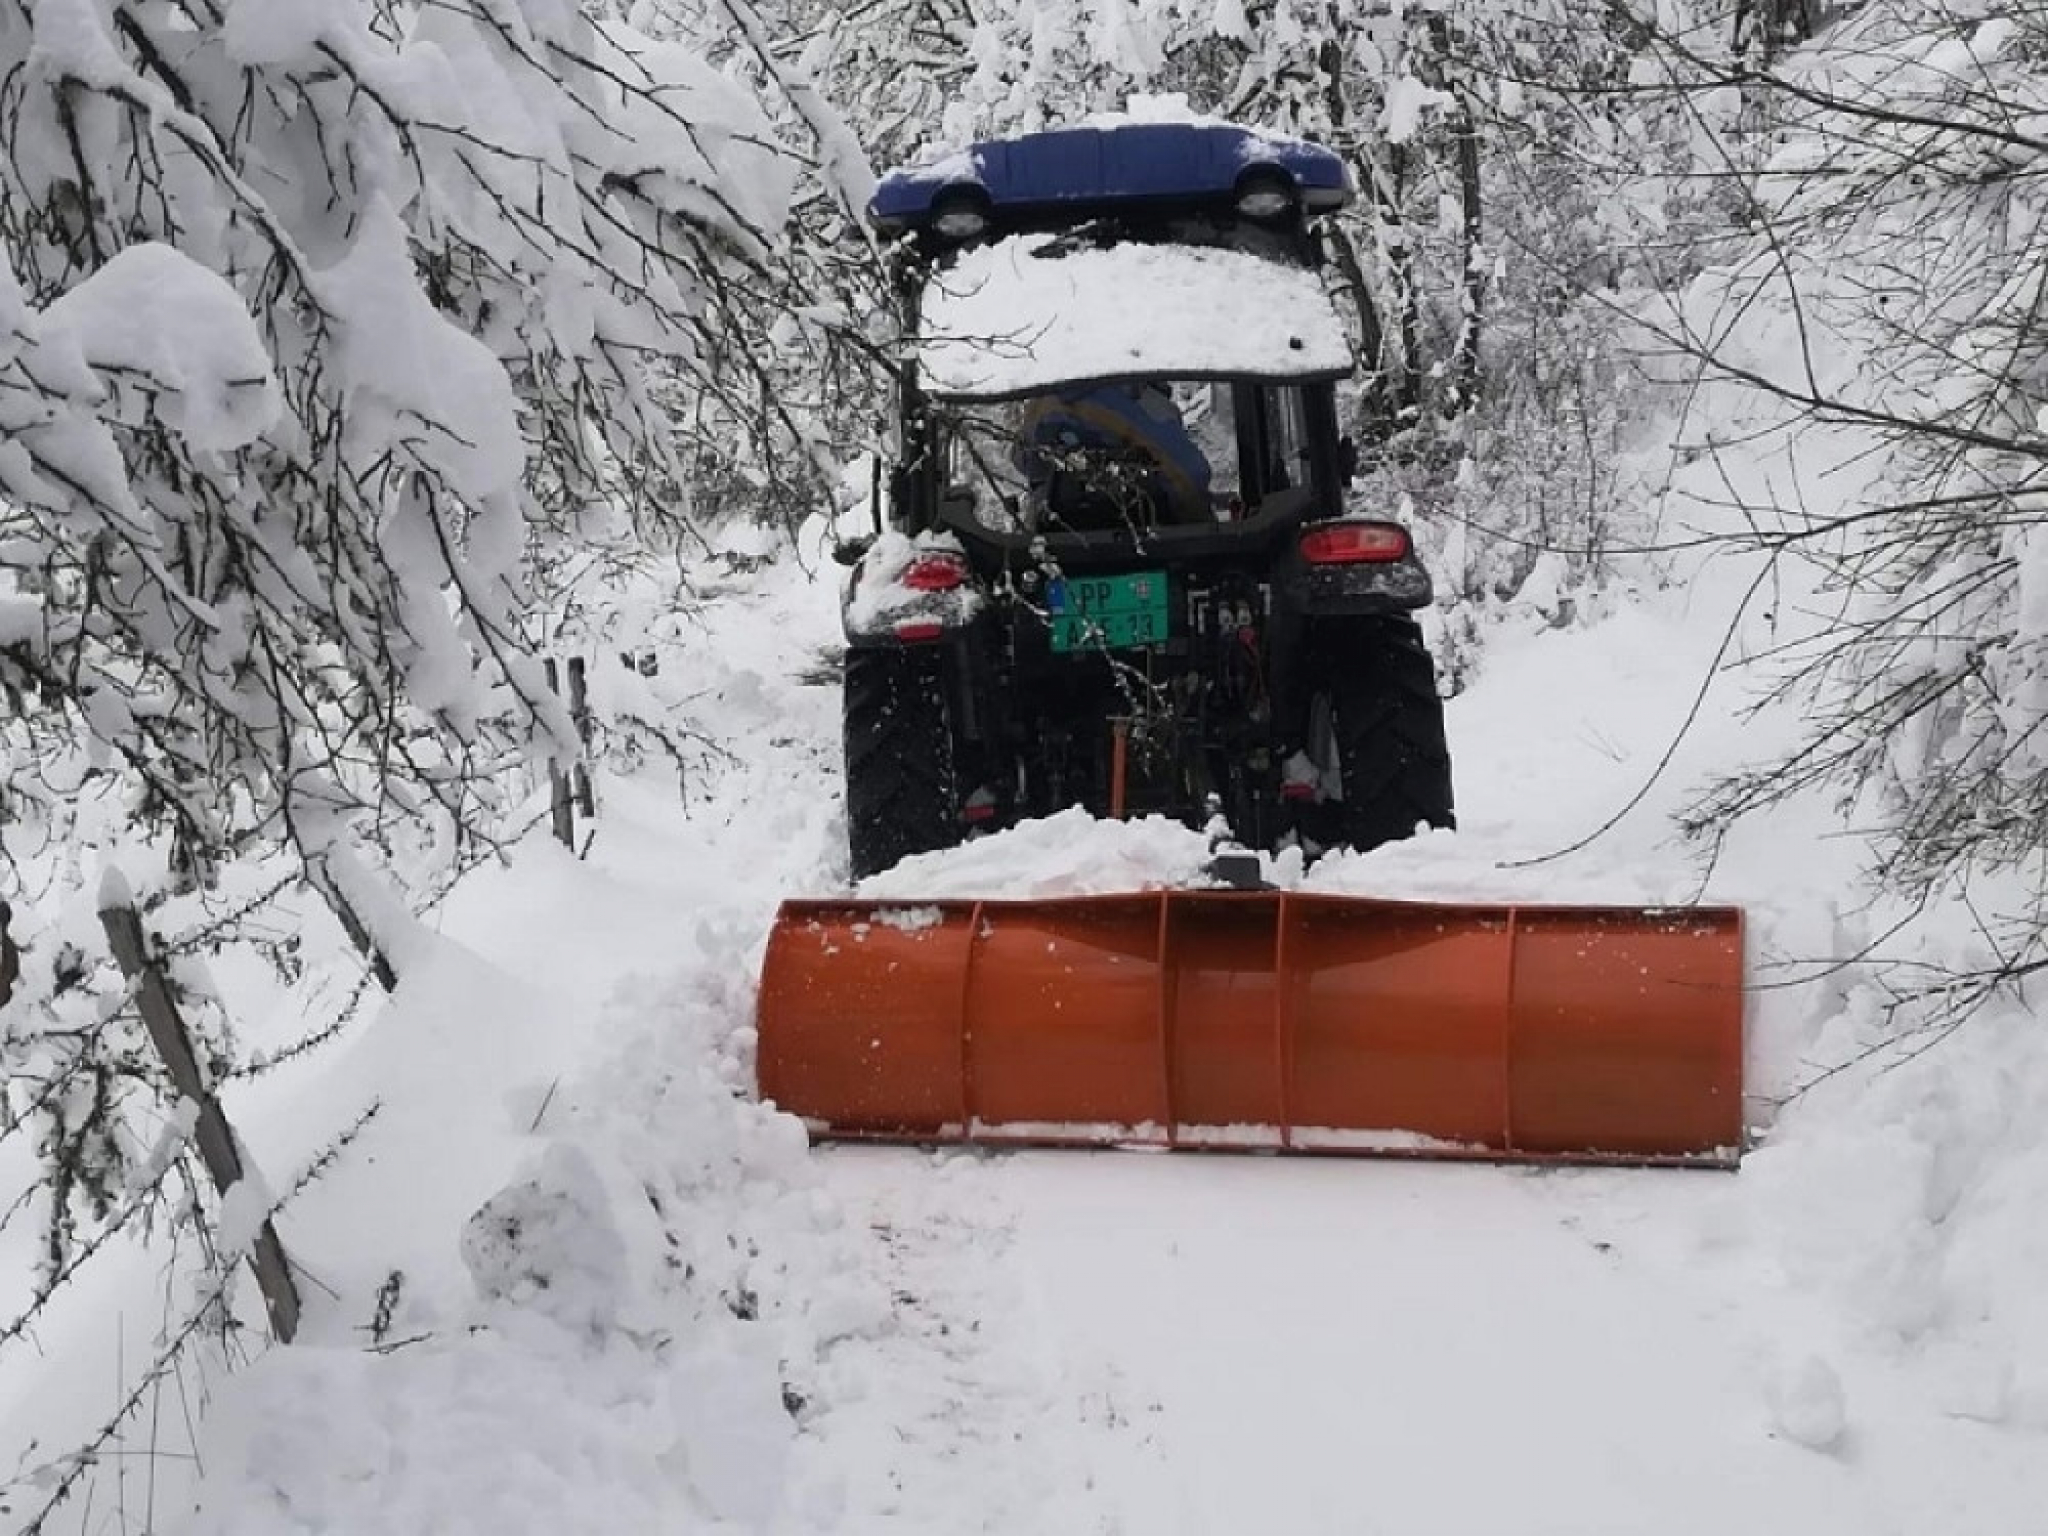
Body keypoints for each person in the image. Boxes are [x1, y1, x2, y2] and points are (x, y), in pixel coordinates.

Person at [1019, 380, 1213, 525]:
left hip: (1055, 540)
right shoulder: (1130, 402)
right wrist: (1204, 534)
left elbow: (1024, 460)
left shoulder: (1042, 401)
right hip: (1140, 538)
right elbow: (1190, 473)